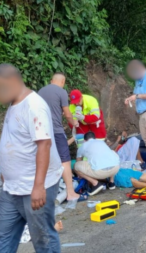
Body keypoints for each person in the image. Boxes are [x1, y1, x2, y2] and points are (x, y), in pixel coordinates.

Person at [0, 64, 63, 253]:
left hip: (34, 187)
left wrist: (38, 186)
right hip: (12, 188)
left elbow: (44, 145)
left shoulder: (34, 105)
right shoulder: (14, 104)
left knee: (43, 239)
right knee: (2, 236)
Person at [38, 73, 84, 203]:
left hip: (41, 132)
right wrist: (73, 122)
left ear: (51, 80)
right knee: (65, 160)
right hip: (56, 131)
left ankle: (44, 194)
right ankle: (70, 193)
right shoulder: (62, 92)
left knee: (46, 161)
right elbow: (68, 113)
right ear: (62, 81)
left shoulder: (40, 91)